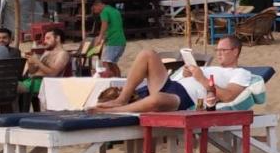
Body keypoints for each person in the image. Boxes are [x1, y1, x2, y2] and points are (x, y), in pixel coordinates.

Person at [96, 36, 252, 113]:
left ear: (235, 51)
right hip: (173, 85)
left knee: (156, 99)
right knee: (147, 54)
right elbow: (191, 79)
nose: (219, 54)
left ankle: (115, 111)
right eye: (217, 50)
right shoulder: (213, 69)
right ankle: (121, 100)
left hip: (184, 98)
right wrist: (187, 74)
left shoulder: (241, 73)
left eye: (223, 50)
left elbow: (228, 96)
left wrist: (201, 78)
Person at [19, 27, 71, 99]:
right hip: (32, 82)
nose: (44, 41)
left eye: (48, 38)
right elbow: (33, 72)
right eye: (45, 39)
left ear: (57, 38)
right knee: (8, 86)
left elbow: (53, 74)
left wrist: (37, 61)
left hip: (44, 84)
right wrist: (30, 62)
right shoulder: (47, 52)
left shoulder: (62, 54)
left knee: (8, 88)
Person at [91, 0, 126, 70]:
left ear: (98, 5)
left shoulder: (104, 12)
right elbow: (114, 26)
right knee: (112, 64)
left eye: (94, 9)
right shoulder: (114, 10)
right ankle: (118, 79)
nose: (95, 12)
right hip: (121, 41)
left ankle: (110, 79)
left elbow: (104, 24)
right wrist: (105, 37)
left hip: (114, 42)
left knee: (106, 63)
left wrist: (100, 37)